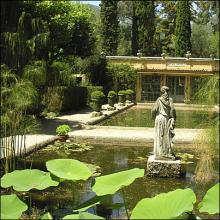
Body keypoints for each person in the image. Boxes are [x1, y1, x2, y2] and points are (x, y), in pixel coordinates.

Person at [151, 86, 176, 160]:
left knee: (160, 135)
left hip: (159, 118)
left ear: (161, 92)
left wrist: (152, 117)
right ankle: (165, 152)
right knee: (166, 136)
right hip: (166, 119)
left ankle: (160, 152)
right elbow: (173, 110)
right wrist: (174, 118)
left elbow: (154, 110)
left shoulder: (159, 100)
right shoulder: (170, 100)